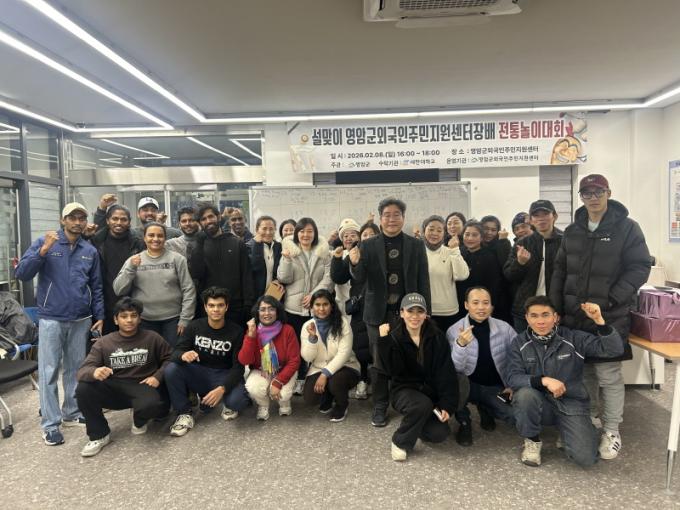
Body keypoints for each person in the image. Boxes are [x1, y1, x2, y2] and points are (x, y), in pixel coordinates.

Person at [550, 174, 651, 460]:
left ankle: (611, 430)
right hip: (574, 317)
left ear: (608, 193)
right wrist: (557, 307)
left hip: (608, 317)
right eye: (587, 193)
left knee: (608, 374)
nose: (593, 198)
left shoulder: (627, 228)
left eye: (598, 192)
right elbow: (560, 270)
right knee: (583, 373)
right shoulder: (573, 231)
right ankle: (589, 420)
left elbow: (639, 267)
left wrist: (610, 300)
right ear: (581, 197)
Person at [15, 202, 105, 446]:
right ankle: (50, 424)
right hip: (51, 318)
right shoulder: (46, 242)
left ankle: (72, 412)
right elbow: (21, 274)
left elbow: (96, 286)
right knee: (49, 370)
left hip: (81, 318)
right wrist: (43, 251)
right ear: (62, 220)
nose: (77, 222)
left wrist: (99, 315)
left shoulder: (89, 250)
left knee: (75, 369)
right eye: (72, 217)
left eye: (81, 218)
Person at [506, 297, 623, 467]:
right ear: (527, 318)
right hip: (540, 403)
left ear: (555, 317)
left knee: (586, 459)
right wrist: (543, 380)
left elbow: (614, 350)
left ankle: (568, 430)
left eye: (545, 315)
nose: (540, 321)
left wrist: (599, 321)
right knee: (524, 395)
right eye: (534, 316)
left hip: (571, 402)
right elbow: (512, 377)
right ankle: (532, 440)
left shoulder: (574, 338)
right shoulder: (519, 342)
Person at [350, 197, 431, 427]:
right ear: (380, 218)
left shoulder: (416, 245)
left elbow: (423, 280)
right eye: (387, 215)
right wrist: (354, 263)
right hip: (378, 314)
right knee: (379, 360)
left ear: (403, 218)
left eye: (397, 214)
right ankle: (380, 404)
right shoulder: (368, 245)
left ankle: (406, 401)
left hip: (408, 313)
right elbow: (359, 278)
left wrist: (426, 311)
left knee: (409, 357)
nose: (392, 219)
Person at [75, 297, 171, 457]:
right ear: (116, 320)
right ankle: (99, 435)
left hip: (142, 386)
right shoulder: (104, 343)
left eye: (133, 316)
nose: (129, 320)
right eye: (124, 316)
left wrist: (157, 376)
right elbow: (82, 371)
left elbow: (170, 358)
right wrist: (94, 372)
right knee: (83, 388)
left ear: (139, 318)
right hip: (114, 388)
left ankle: (139, 419)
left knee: (153, 405)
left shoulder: (152, 337)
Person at [377, 293, 459, 461]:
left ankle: (416, 421)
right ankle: (400, 442)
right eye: (410, 311)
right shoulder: (394, 336)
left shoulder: (437, 337)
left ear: (426, 314)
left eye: (419, 311)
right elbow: (393, 370)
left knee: (439, 434)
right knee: (421, 405)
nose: (415, 316)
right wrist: (384, 340)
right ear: (402, 313)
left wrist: (447, 404)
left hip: (430, 392)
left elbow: (446, 372)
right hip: (404, 390)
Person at [165, 287, 250, 436]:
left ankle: (223, 400)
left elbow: (238, 368)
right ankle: (184, 413)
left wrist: (222, 389)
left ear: (226, 307)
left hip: (224, 374)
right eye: (211, 305)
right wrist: (183, 355)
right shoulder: (194, 326)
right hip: (201, 373)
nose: (215, 309)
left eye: (220, 305)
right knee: (172, 369)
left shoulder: (236, 331)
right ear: (205, 307)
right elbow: (175, 353)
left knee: (237, 402)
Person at [447, 287, 516, 446]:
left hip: (494, 385)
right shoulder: (454, 330)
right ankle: (464, 422)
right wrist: (461, 345)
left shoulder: (504, 328)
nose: (481, 307)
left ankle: (485, 407)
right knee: (456, 384)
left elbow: (518, 359)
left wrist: (512, 385)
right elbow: (454, 369)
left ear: (491, 306)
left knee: (513, 415)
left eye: (486, 303)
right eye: (475, 302)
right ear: (466, 305)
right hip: (467, 385)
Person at [113, 222, 196, 347]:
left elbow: (188, 289)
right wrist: (131, 268)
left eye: (160, 235)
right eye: (151, 235)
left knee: (172, 355)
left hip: (173, 320)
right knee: (149, 356)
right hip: (144, 320)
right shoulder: (134, 260)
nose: (156, 239)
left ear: (165, 238)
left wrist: (185, 319)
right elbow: (118, 290)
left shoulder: (177, 259)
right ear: (144, 238)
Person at [277, 217, 332, 394]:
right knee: (295, 347)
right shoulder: (289, 251)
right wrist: (286, 259)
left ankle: (313, 377)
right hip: (293, 308)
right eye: (301, 231)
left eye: (309, 231)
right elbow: (284, 278)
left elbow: (329, 278)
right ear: (296, 233)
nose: (305, 235)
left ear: (315, 233)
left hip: (317, 308)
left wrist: (314, 295)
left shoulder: (323, 253)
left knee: (316, 344)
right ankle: (298, 378)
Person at [330, 221, 380, 400]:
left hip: (380, 306)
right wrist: (337, 259)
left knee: (380, 345)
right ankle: (364, 379)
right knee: (362, 345)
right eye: (365, 235)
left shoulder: (383, 253)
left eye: (371, 234)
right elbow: (338, 277)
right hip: (360, 306)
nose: (368, 238)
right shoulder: (354, 253)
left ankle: (381, 382)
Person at [300, 289, 360, 422]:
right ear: (312, 307)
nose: (321, 309)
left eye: (325, 304)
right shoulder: (307, 326)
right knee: (310, 398)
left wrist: (325, 374)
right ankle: (328, 396)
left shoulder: (343, 323)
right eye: (317, 304)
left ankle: (342, 405)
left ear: (332, 306)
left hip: (346, 366)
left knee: (336, 382)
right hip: (319, 367)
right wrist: (312, 338)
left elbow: (344, 353)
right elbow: (307, 358)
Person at [189, 203, 254, 326]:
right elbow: (197, 273)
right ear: (200, 223)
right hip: (209, 307)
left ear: (219, 217)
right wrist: (199, 243)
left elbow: (246, 274)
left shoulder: (237, 243)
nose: (208, 221)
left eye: (211, 216)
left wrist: (248, 303)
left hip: (235, 306)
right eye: (203, 219)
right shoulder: (197, 245)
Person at [504, 200, 563, 333]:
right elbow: (509, 276)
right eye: (536, 215)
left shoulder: (565, 241)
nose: (541, 218)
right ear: (530, 220)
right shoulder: (522, 243)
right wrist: (520, 263)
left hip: (556, 309)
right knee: (525, 344)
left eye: (545, 214)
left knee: (556, 344)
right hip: (525, 309)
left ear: (554, 216)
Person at [239, 295, 301, 420]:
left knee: (284, 394)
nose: (267, 313)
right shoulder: (253, 331)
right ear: (257, 312)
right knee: (253, 387)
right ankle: (263, 405)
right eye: (262, 309)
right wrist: (250, 337)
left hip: (284, 369)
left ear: (277, 312)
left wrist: (278, 382)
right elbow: (244, 360)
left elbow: (294, 361)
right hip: (261, 370)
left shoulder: (287, 330)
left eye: (271, 309)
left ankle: (284, 403)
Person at [90, 203, 145, 336]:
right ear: (107, 220)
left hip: (132, 303)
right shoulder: (96, 241)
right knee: (107, 342)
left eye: (123, 219)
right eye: (115, 219)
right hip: (104, 302)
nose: (119, 222)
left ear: (129, 222)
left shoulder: (138, 243)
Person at [422, 215, 470, 333]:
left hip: (449, 311)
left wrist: (455, 250)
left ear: (444, 233)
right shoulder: (418, 252)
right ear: (424, 230)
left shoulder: (450, 251)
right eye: (431, 229)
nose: (435, 233)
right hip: (425, 310)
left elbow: (462, 275)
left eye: (439, 230)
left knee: (449, 343)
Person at [457, 221, 508, 323]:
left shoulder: (489, 256)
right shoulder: (458, 253)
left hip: (481, 305)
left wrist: (491, 305)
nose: (470, 238)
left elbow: (494, 283)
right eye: (467, 234)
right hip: (461, 303)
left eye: (475, 235)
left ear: (481, 238)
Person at [246, 215, 283, 299]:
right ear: (257, 230)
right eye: (264, 228)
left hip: (273, 294)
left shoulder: (278, 247)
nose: (268, 232)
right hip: (254, 296)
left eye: (271, 229)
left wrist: (277, 280)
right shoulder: (248, 247)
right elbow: (255, 267)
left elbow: (280, 269)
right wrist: (257, 245)